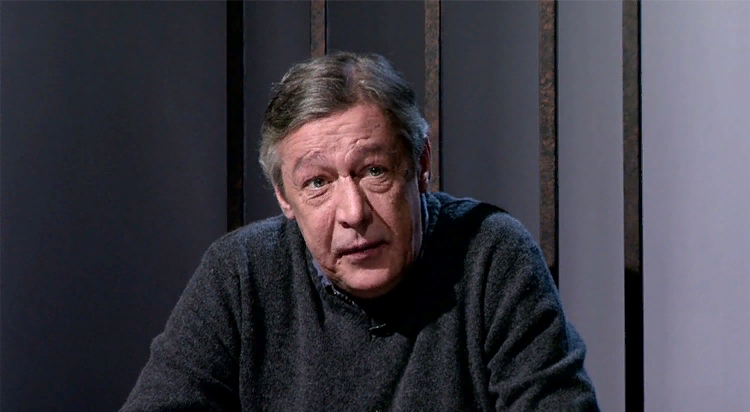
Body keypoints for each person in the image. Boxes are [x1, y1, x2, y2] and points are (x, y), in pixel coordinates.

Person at [120, 52, 599, 411]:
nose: (352, 213)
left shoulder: (491, 254)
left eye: (374, 171)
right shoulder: (241, 273)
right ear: (284, 197)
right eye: (317, 183)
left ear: (420, 165)